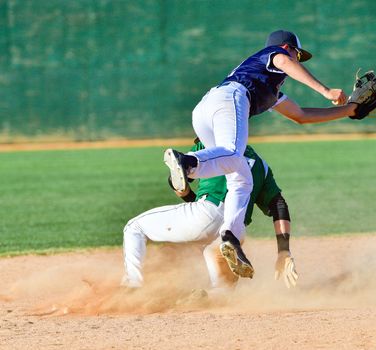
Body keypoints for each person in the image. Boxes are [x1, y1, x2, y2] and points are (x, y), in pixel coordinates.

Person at [164, 29, 363, 279]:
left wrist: (348, 111)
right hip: (231, 98)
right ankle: (188, 163)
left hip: (207, 109)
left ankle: (230, 237)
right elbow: (282, 60)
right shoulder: (274, 54)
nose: (297, 61)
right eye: (297, 55)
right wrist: (325, 91)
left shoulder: (267, 86)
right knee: (233, 154)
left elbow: (301, 115)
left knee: (241, 176)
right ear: (288, 48)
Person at [122, 140, 298, 293]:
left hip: (207, 213)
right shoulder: (261, 164)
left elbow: (178, 178)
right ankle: (210, 296)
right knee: (222, 289)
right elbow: (279, 205)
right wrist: (284, 250)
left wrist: (181, 190)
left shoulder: (207, 144)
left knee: (134, 228)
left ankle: (134, 285)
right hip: (235, 231)